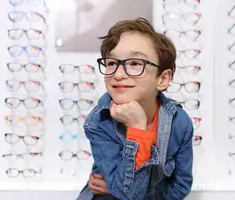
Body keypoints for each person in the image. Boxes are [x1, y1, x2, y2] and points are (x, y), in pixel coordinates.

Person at [77, 17, 193, 200]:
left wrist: (118, 187)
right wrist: (137, 129)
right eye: (112, 63)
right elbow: (126, 194)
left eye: (135, 64)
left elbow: (181, 186)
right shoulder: (99, 122)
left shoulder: (180, 122)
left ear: (162, 79)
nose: (119, 74)